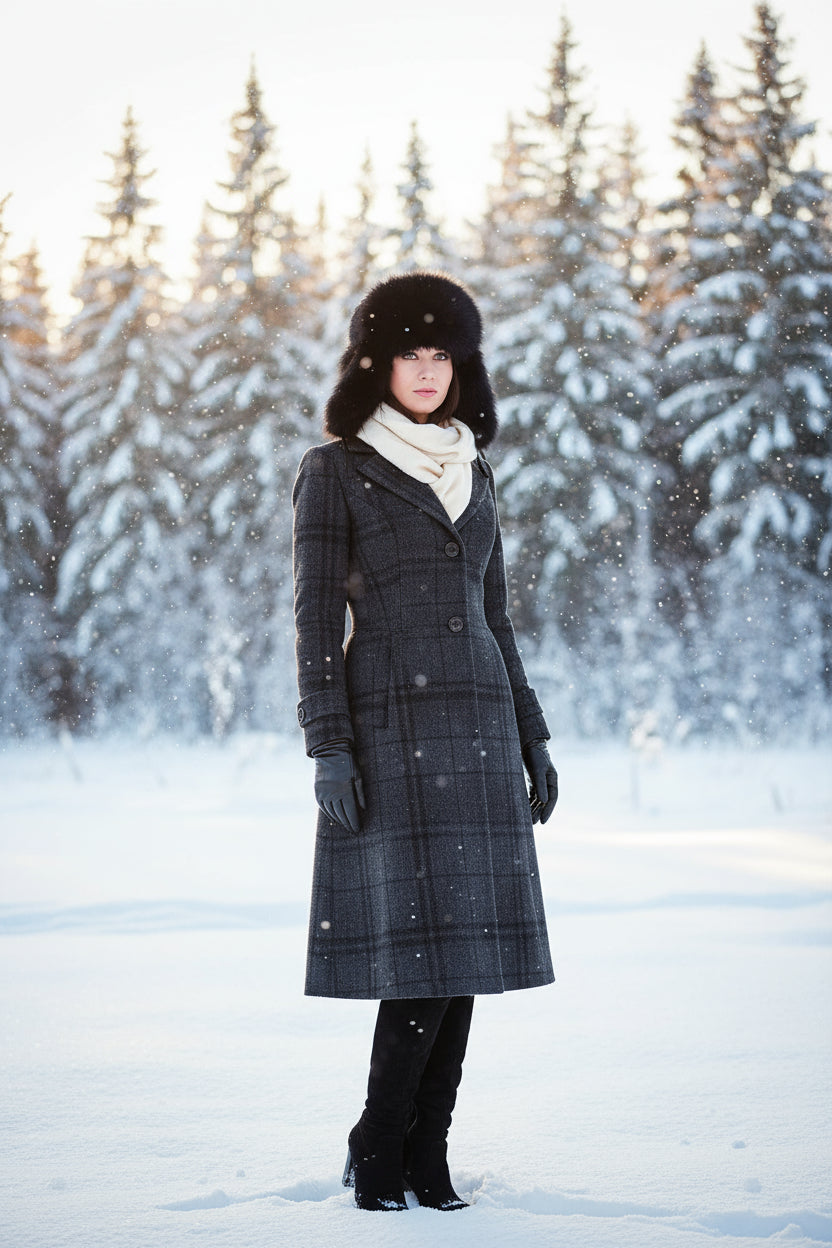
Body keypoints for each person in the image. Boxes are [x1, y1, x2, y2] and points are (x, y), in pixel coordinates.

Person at [292, 271, 558, 1213]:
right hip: (392, 732)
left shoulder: (474, 468)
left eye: (443, 353)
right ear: (378, 362)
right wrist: (328, 744)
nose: (428, 369)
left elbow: (498, 615)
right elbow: (316, 618)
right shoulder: (336, 469)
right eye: (411, 351)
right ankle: (378, 1148)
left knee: (467, 958)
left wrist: (534, 735)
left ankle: (427, 1152)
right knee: (420, 959)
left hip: (482, 730)